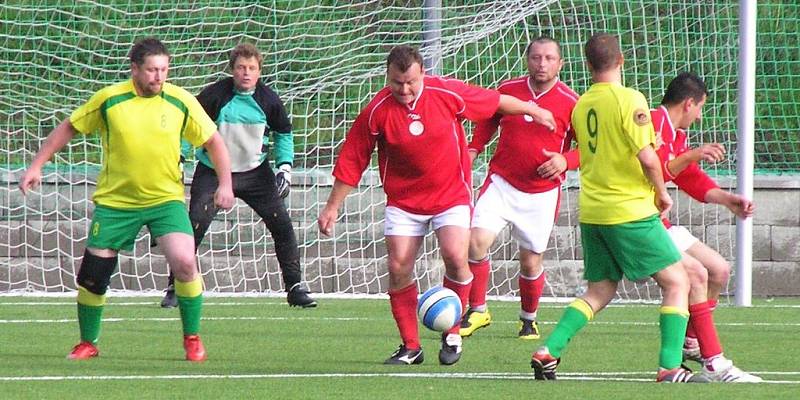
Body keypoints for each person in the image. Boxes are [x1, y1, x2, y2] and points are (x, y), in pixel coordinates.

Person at [317, 45, 556, 366]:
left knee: (456, 255)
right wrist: (333, 206)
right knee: (398, 266)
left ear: (422, 75)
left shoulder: (446, 92)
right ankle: (410, 346)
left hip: (450, 196)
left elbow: (496, 102)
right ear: (388, 77)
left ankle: (453, 334)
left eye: (411, 82)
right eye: (396, 82)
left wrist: (535, 110)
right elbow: (353, 158)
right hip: (404, 201)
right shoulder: (377, 110)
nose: (404, 89)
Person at [18, 37, 234, 362]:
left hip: (165, 201)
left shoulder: (181, 101)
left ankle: (192, 338)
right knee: (93, 274)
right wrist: (36, 165)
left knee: (185, 262)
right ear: (134, 69)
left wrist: (225, 185)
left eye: (163, 70)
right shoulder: (109, 99)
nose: (158, 77)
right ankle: (87, 342)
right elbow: (69, 127)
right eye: (151, 70)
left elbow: (214, 141)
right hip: (116, 203)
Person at [530, 33, 706, 383]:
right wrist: (661, 193)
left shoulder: (581, 105)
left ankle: (548, 350)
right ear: (622, 60)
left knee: (600, 290)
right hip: (629, 210)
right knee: (677, 281)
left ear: (586, 64)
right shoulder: (630, 100)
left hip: (592, 212)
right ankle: (670, 366)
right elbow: (647, 157)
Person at [159, 43, 316, 309]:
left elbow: (284, 134)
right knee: (193, 225)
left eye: (252, 68)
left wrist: (285, 168)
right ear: (232, 70)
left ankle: (295, 288)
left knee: (283, 227)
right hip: (212, 171)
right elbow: (190, 127)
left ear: (259, 71)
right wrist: (179, 158)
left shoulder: (269, 100)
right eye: (241, 67)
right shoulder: (213, 96)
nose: (246, 73)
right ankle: (176, 288)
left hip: (256, 173)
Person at [460, 37, 579, 340]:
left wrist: (566, 161)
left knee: (530, 261)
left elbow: (593, 148)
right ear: (527, 60)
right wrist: (474, 147)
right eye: (536, 58)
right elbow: (489, 120)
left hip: (541, 192)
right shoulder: (508, 90)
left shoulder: (572, 102)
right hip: (501, 181)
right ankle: (478, 310)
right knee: (474, 242)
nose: (542, 64)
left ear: (560, 64)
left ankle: (528, 318)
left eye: (549, 58)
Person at [652, 72, 761, 382]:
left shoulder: (677, 134)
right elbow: (655, 169)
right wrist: (693, 155)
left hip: (660, 221)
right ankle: (713, 361)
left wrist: (727, 199)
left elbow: (689, 177)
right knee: (696, 274)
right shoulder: (651, 124)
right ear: (689, 103)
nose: (699, 116)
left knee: (718, 269)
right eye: (700, 108)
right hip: (640, 221)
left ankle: (690, 340)